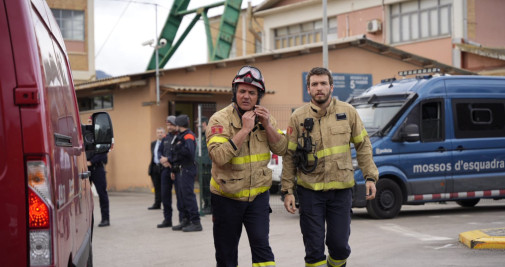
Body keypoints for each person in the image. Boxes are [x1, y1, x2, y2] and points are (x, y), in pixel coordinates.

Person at [281, 67, 379, 267]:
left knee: (340, 247)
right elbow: (289, 156)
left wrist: (370, 176)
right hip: (309, 193)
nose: (319, 88)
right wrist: (287, 190)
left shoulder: (348, 112)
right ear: (308, 89)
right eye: (314, 84)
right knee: (314, 249)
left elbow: (363, 145)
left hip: (341, 192)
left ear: (331, 87)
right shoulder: (297, 118)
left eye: (323, 83)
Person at [206, 65, 287, 267]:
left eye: (252, 93)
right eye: (242, 91)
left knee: (263, 250)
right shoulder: (219, 119)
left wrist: (268, 125)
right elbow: (218, 156)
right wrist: (244, 130)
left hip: (258, 198)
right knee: (226, 255)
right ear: (235, 92)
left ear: (258, 96)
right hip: (227, 198)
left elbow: (282, 148)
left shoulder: (266, 118)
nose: (246, 96)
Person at [171, 114, 202, 232]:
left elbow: (190, 152)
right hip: (180, 169)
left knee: (188, 196)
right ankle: (186, 220)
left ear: (179, 125)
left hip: (187, 169)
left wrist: (178, 148)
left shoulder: (188, 135)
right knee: (181, 196)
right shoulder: (180, 136)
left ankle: (196, 222)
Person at [157, 116, 178, 228]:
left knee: (181, 196)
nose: (169, 127)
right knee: (165, 195)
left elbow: (177, 152)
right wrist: (162, 160)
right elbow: (159, 151)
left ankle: (183, 219)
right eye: (168, 125)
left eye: (171, 125)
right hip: (165, 169)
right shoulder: (165, 138)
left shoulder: (179, 137)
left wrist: (169, 160)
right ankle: (167, 219)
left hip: (176, 169)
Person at [195, 116, 212, 214]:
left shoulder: (208, 134)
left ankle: (209, 206)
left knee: (207, 186)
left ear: (204, 123)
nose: (197, 125)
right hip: (201, 165)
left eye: (199, 123)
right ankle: (206, 205)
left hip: (207, 165)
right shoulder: (201, 135)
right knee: (203, 187)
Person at [148, 127, 165, 210]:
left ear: (164, 133)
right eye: (158, 132)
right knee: (156, 187)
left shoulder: (166, 143)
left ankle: (165, 204)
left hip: (163, 167)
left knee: (164, 187)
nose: (160, 134)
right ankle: (157, 204)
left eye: (161, 132)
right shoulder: (153, 143)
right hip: (154, 167)